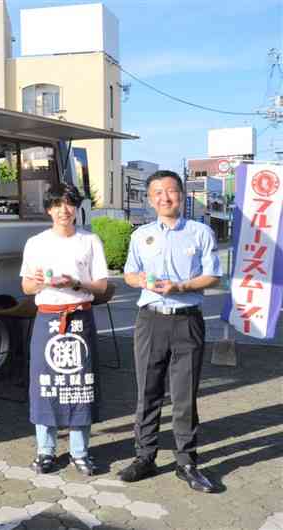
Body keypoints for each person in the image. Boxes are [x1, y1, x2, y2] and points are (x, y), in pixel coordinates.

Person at [118, 170, 221, 493]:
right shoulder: (141, 235)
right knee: (147, 392)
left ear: (181, 195)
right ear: (150, 199)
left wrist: (181, 286)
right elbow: (129, 273)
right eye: (158, 192)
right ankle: (145, 457)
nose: (165, 197)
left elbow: (213, 276)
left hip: (187, 321)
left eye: (171, 191)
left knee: (184, 395)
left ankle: (187, 462)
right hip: (150, 320)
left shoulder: (200, 232)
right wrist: (142, 280)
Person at [20, 182, 108, 475]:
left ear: (77, 207)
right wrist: (42, 282)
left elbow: (102, 286)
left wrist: (75, 283)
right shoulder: (35, 242)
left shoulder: (90, 240)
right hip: (48, 318)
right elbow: (27, 286)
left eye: (69, 203)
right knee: (45, 385)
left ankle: (80, 452)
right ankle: (45, 450)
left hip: (80, 318)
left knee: (80, 386)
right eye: (57, 204)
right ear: (48, 209)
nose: (64, 210)